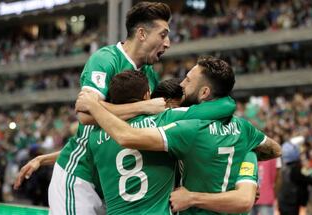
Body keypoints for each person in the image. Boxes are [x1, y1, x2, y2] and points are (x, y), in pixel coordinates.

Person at [14, 2, 172, 214]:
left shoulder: (150, 75)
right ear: (142, 34)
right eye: (163, 35)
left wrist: (45, 158)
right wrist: (144, 106)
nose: (168, 43)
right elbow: (86, 115)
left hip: (109, 183)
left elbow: (104, 132)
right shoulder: (105, 59)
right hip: (79, 179)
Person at [76, 56, 282, 214]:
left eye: (188, 80)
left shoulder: (186, 128)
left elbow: (125, 136)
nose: (182, 84)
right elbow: (274, 150)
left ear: (204, 93)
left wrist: (95, 106)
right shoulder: (244, 131)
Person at [84, 70, 236, 214]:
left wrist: (97, 105)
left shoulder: (95, 135)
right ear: (147, 95)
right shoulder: (164, 119)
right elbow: (224, 106)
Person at [278, 140, 312, 215]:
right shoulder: (294, 168)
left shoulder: (285, 167)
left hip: (284, 200)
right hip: (290, 202)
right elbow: (302, 178)